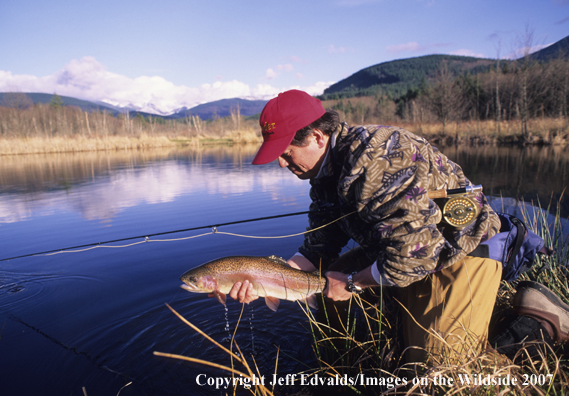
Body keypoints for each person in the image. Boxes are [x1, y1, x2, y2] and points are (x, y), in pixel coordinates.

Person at [229, 89, 568, 364]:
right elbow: (317, 248)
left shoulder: (376, 158)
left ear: (317, 136)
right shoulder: (324, 174)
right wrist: (261, 280)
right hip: (402, 251)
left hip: (460, 249)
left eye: (287, 152)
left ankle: (539, 323)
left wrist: (352, 282)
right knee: (328, 277)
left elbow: (414, 256)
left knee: (441, 366)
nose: (281, 162)